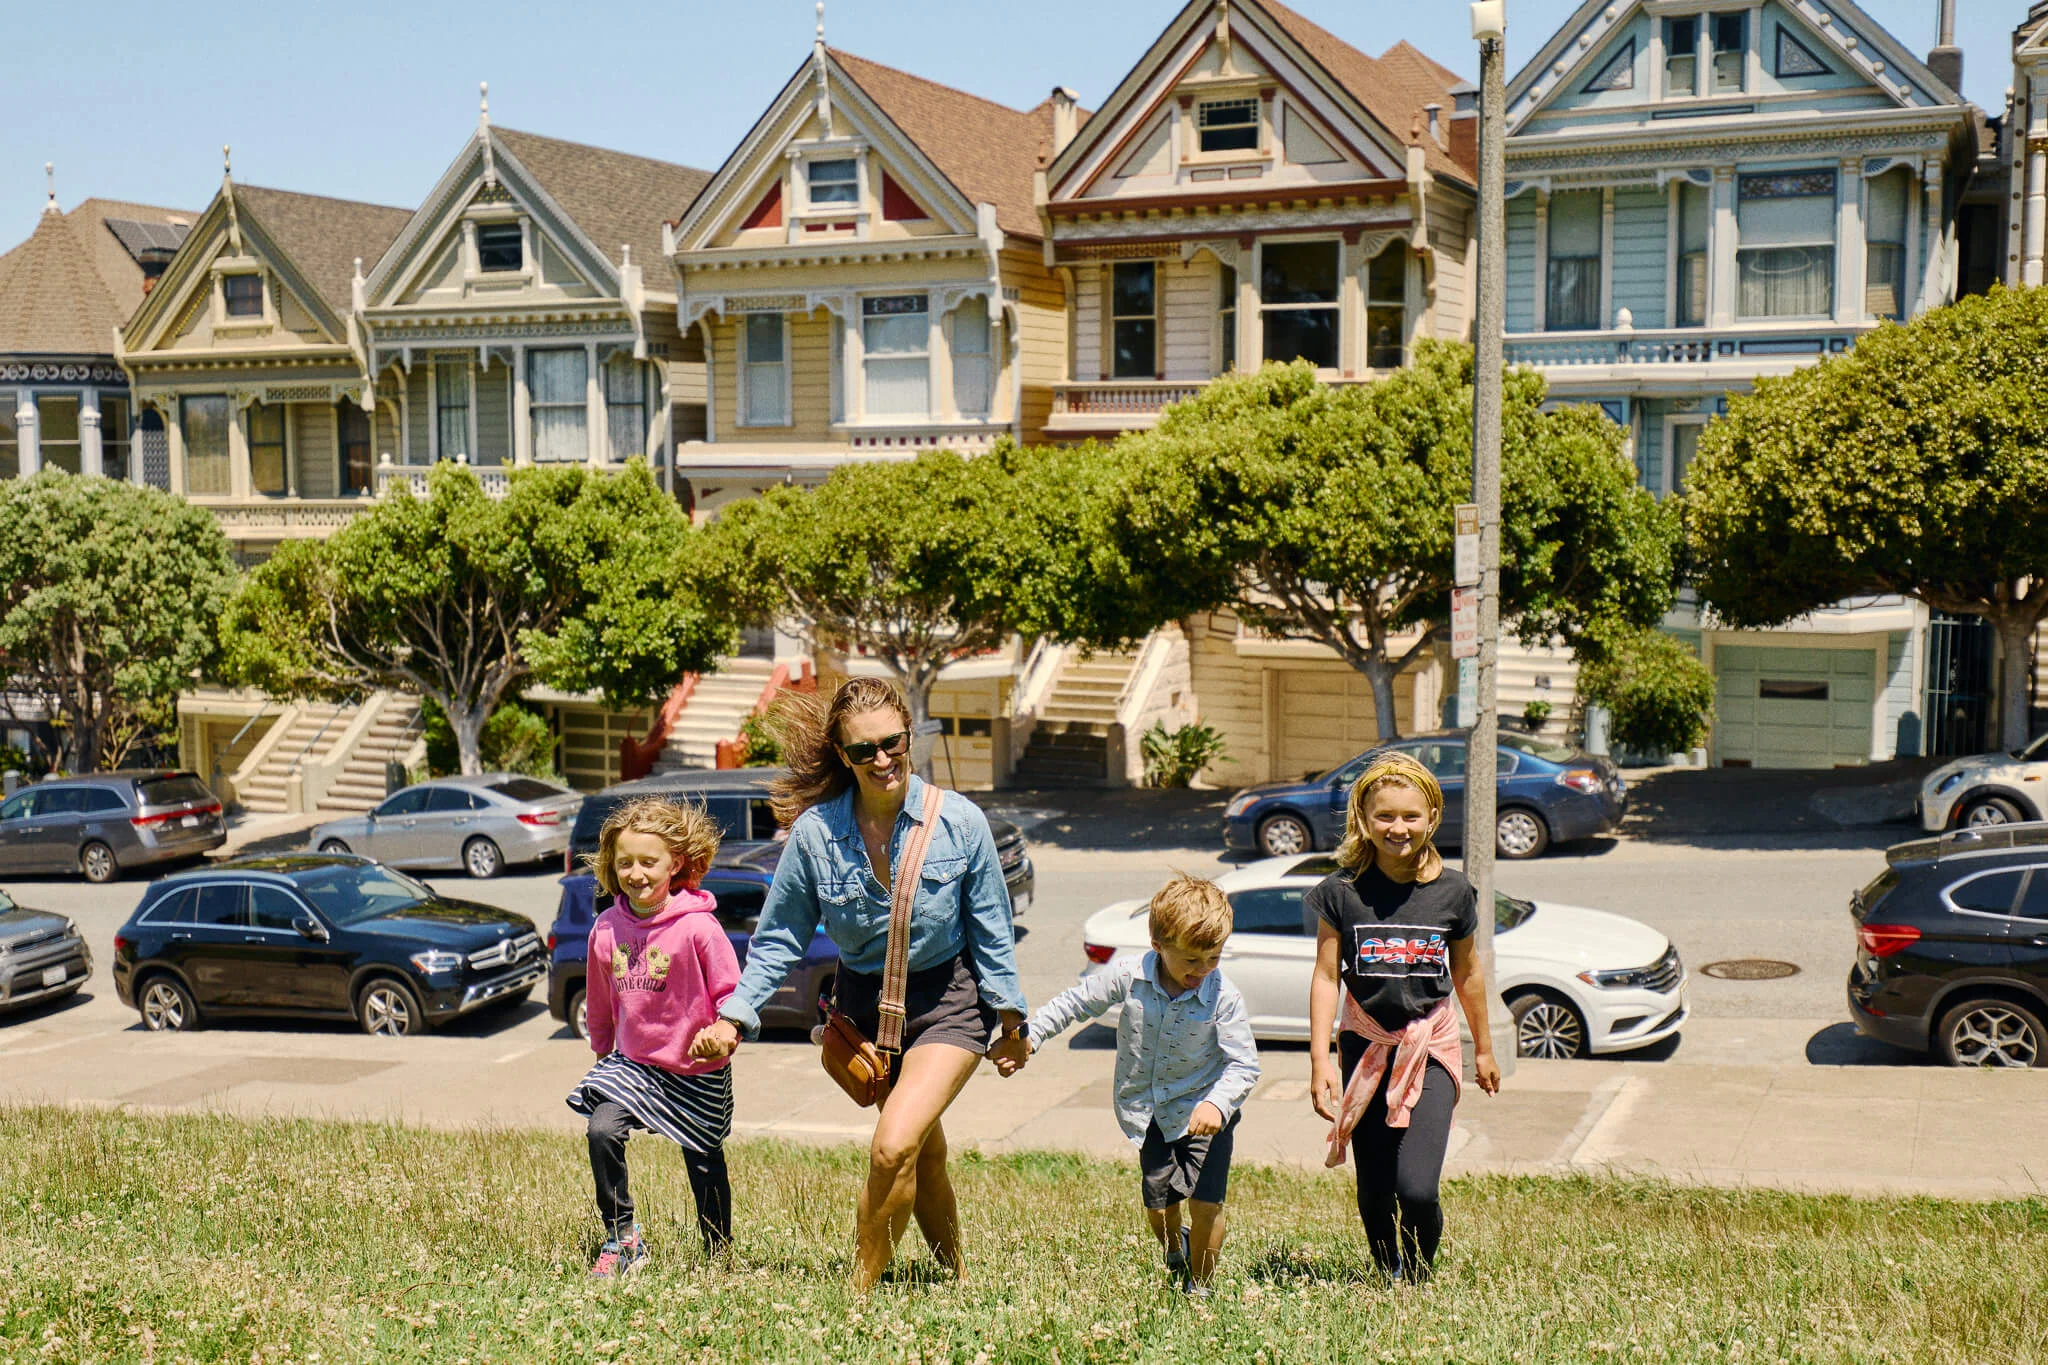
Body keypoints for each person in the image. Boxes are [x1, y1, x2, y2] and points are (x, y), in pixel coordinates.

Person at [688, 677, 1029, 1292]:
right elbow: (778, 939)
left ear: (909, 736)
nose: (881, 760)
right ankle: (959, 1279)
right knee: (922, 1152)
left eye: (892, 743)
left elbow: (992, 932)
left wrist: (1011, 1022)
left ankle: (860, 1294)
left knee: (891, 1146)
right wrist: (734, 1016)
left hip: (947, 1001)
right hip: (864, 1011)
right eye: (862, 750)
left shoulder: (959, 822)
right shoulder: (817, 835)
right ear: (842, 756)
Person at [1004, 876, 1259, 1295]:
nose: (1202, 970)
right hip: (1151, 1112)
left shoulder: (1223, 996)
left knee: (1207, 1204)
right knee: (1160, 1208)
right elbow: (1075, 1003)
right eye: (1191, 959)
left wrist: (1217, 1104)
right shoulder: (1128, 974)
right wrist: (1030, 1037)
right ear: (1158, 944)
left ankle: (1202, 1287)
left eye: (1213, 957)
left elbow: (1244, 1064)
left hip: (1206, 1112)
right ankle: (1174, 1250)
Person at [1306, 752, 1502, 1283]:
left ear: (1432, 818)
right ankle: (1387, 1270)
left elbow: (1468, 972)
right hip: (1364, 1045)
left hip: (1431, 1045)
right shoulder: (1340, 893)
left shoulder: (1454, 892)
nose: (1398, 828)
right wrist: (1321, 1060)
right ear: (1363, 821)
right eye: (1385, 816)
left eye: (1411, 816)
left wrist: (1483, 1047)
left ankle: (1417, 1275)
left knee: (1416, 1188)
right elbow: (1326, 977)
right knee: (1374, 1185)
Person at [567, 798, 739, 1278]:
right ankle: (622, 1238)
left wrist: (725, 1035)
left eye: (648, 861)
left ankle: (719, 1253)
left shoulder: (699, 926)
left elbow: (731, 995)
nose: (636, 873)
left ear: (676, 863)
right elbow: (600, 1001)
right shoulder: (606, 929)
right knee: (601, 1129)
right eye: (625, 863)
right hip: (635, 1064)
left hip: (695, 1067)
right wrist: (603, 1052)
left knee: (704, 1159)